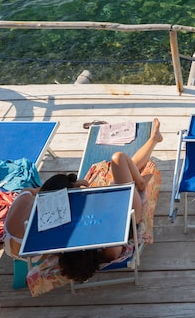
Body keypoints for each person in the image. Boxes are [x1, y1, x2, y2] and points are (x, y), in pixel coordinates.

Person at [3, 118, 163, 261]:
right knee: (119, 161)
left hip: (14, 247)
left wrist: (72, 186)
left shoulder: (27, 201)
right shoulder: (54, 224)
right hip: (123, 218)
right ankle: (142, 177)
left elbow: (39, 191)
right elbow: (112, 247)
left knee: (119, 167)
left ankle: (153, 141)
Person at [56, 118, 164, 283]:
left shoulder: (74, 245)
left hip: (108, 204)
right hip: (128, 210)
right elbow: (116, 221)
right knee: (119, 158)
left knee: (124, 167)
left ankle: (154, 140)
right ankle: (141, 181)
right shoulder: (109, 252)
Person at [2, 173, 88, 259]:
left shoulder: (25, 193)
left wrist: (70, 184)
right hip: (27, 253)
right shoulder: (46, 214)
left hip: (8, 245)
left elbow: (40, 190)